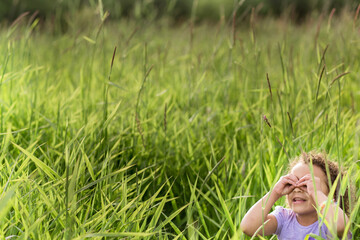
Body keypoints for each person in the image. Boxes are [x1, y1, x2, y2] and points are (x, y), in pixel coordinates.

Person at [240, 151, 353, 239]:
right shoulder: (284, 219)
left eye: (309, 184)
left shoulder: (328, 221)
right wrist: (274, 193)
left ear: (331, 194)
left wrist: (316, 193)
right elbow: (248, 227)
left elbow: (340, 226)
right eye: (292, 182)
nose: (298, 189)